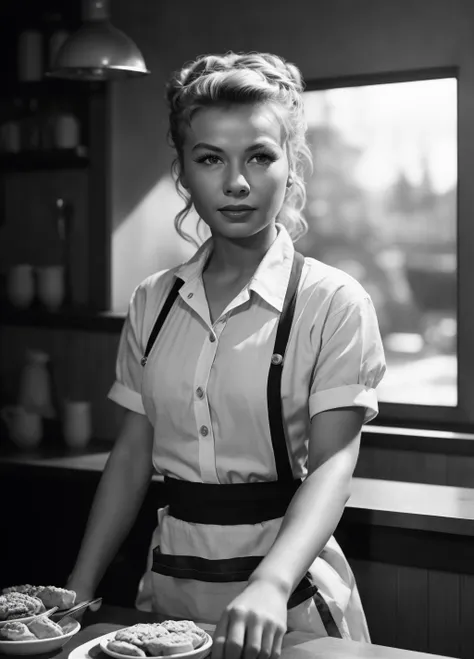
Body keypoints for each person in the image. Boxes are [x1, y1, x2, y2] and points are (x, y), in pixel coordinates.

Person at [66, 51, 386, 658]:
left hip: (290, 605)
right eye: (211, 158)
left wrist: (269, 582)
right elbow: (133, 455)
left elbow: (331, 467)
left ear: (291, 167)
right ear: (183, 171)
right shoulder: (151, 301)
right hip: (167, 598)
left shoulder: (332, 301)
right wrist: (77, 594)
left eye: (260, 157)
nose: (236, 182)